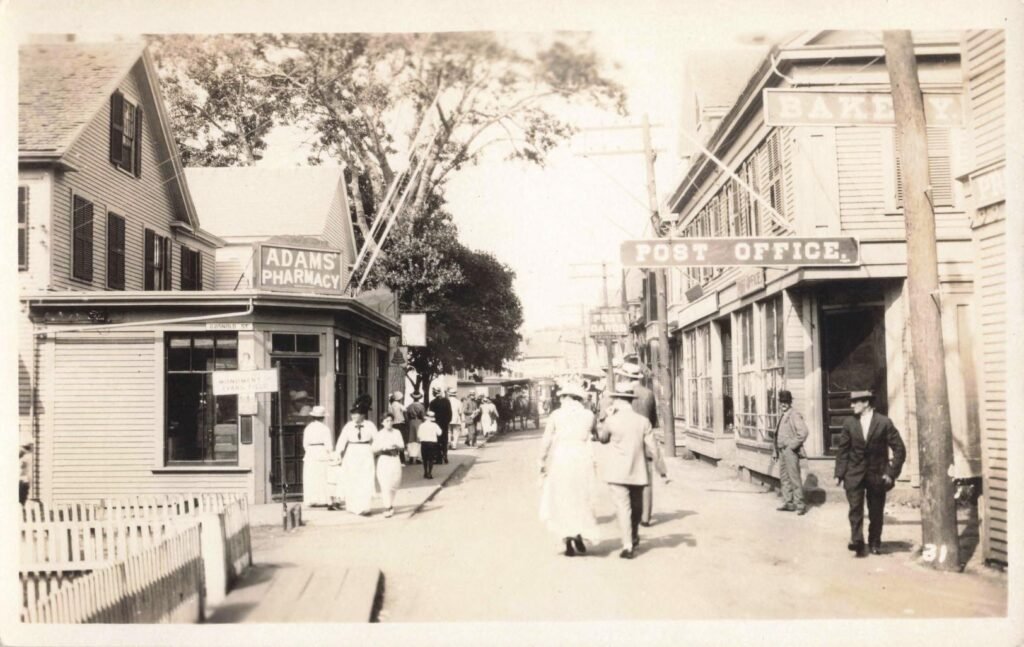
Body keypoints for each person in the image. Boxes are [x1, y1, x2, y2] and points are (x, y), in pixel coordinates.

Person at [596, 384, 668, 559]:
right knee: (636, 508)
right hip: (638, 471)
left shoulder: (612, 420)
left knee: (623, 508)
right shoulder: (643, 422)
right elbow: (653, 448)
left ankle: (627, 545)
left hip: (617, 473)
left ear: (618, 400)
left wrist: (605, 419)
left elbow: (603, 439)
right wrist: (662, 471)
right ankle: (633, 535)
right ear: (630, 400)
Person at [834, 390, 906, 557]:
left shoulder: (884, 422)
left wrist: (891, 473)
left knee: (875, 511)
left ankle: (874, 542)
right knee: (855, 509)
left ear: (866, 403)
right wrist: (839, 473)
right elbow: (842, 451)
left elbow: (899, 449)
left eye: (855, 402)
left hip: (877, 474)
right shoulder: (849, 423)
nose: (851, 405)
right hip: (854, 474)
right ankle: (857, 541)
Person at [538, 383, 600, 556]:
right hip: (582, 456)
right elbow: (595, 433)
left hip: (562, 457)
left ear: (567, 397)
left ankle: (568, 542)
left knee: (563, 497)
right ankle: (579, 533)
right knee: (581, 496)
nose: (561, 400)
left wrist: (541, 460)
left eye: (562, 397)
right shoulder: (588, 415)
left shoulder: (556, 415)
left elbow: (547, 439)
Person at [615, 359, 661, 527]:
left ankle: (630, 513)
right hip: (645, 440)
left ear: (626, 378)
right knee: (646, 478)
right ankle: (645, 517)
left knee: (626, 478)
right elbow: (654, 420)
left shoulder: (621, 394)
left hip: (626, 443)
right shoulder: (648, 393)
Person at [332, 404, 378, 516]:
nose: (353, 416)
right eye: (352, 414)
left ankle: (365, 507)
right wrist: (338, 452)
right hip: (352, 453)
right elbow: (342, 440)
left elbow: (377, 439)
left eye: (356, 414)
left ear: (362, 415)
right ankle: (353, 506)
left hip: (366, 452)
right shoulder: (348, 426)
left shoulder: (370, 425)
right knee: (352, 479)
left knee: (365, 479)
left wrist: (375, 451)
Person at [772, 389, 810, 515]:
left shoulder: (794, 415)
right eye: (781, 402)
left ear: (790, 402)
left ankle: (800, 505)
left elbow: (803, 432)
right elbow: (777, 434)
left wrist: (791, 446)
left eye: (786, 402)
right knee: (784, 478)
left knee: (794, 477)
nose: (783, 404)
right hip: (781, 451)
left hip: (790, 451)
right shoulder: (783, 415)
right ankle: (789, 503)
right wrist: (775, 451)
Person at [373, 413, 405, 518]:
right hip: (384, 460)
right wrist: (383, 448)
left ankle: (390, 504)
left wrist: (397, 446)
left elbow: (402, 446)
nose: (389, 423)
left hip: (395, 459)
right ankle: (387, 506)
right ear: (382, 422)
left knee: (394, 483)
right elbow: (374, 449)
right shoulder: (379, 434)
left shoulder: (397, 432)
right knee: (385, 483)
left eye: (391, 420)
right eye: (387, 421)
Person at [301, 405, 333, 507]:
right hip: (322, 452)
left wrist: (310, 451)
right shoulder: (325, 429)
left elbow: (305, 444)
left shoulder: (308, 428)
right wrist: (330, 452)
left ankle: (311, 500)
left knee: (311, 477)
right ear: (323, 418)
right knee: (322, 476)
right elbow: (329, 445)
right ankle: (322, 500)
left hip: (311, 453)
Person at [428, 386, 453, 464]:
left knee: (437, 440)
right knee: (444, 440)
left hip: (436, 423)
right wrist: (447, 421)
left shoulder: (432, 402)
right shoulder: (446, 401)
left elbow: (431, 414)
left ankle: (439, 458)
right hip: (444, 423)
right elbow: (450, 413)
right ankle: (445, 455)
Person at [417, 410, 443, 479]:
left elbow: (419, 435)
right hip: (432, 443)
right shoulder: (435, 425)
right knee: (431, 459)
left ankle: (425, 472)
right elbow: (440, 433)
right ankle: (430, 473)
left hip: (424, 443)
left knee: (425, 459)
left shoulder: (421, 425)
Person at [405, 392, 426, 465]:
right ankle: (418, 457)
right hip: (419, 422)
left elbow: (406, 416)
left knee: (411, 439)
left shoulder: (409, 406)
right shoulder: (421, 406)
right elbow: (423, 416)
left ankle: (411, 456)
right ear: (419, 398)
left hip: (411, 422)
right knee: (418, 439)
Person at [389, 391, 408, 464]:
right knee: (401, 440)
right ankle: (402, 459)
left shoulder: (391, 405)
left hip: (394, 424)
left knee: (394, 440)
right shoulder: (399, 405)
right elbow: (405, 410)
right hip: (400, 424)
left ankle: (395, 457)